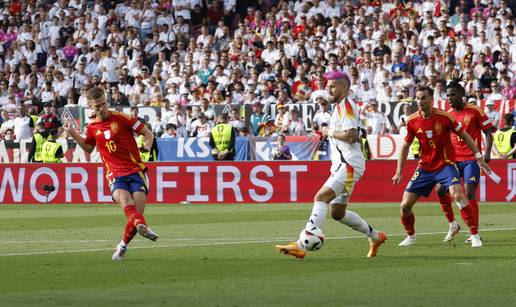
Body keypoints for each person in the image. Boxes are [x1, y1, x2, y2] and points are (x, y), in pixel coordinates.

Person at [276, 71, 387, 259]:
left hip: (349, 164)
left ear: (344, 87)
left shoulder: (346, 106)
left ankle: (300, 246)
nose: (328, 88)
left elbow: (351, 135)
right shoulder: (339, 108)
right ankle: (376, 237)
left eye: (333, 86)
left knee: (321, 198)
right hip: (344, 164)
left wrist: (329, 132)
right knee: (337, 213)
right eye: (327, 85)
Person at [64, 87, 158, 261]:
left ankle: (122, 245)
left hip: (136, 170)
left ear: (107, 101)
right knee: (126, 202)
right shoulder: (92, 127)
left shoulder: (123, 118)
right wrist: (72, 133)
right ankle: (142, 225)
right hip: (114, 174)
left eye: (103, 104)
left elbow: (147, 133)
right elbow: (88, 147)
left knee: (136, 213)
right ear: (90, 107)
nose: (101, 108)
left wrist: (147, 146)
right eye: (96, 106)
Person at [392, 85, 492, 248]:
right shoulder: (411, 121)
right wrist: (399, 172)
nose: (420, 101)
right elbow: (405, 147)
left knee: (460, 196)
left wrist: (479, 156)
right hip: (424, 168)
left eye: (423, 98)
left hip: (446, 165)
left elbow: (465, 135)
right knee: (405, 206)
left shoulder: (445, 117)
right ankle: (411, 236)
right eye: (417, 98)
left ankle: (475, 236)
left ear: (431, 100)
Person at [435, 81, 494, 244]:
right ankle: (453, 224)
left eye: (453, 95)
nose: (450, 98)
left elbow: (488, 132)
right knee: (440, 189)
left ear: (461, 95)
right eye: (447, 96)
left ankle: (474, 232)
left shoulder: (475, 111)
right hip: (452, 160)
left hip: (471, 160)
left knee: (469, 194)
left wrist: (486, 154)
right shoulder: (447, 115)